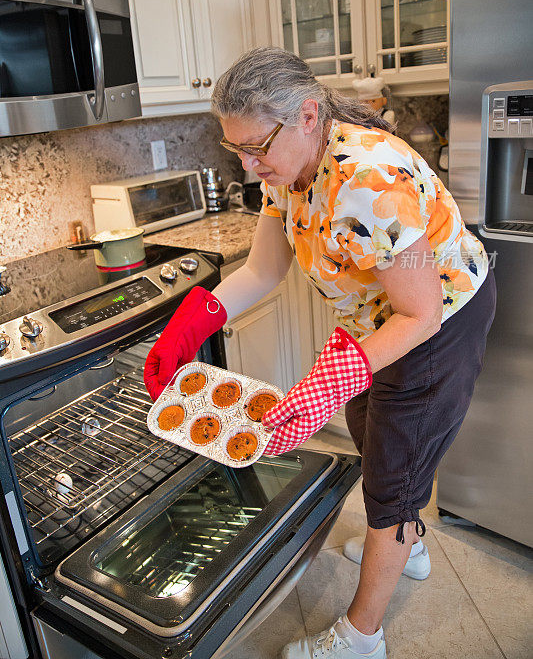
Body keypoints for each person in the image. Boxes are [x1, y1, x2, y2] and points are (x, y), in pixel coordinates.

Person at [144, 47, 496, 659]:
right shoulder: (289, 172)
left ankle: (362, 637)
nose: (252, 166)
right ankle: (407, 547)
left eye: (259, 147)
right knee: (371, 431)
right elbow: (260, 270)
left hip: (439, 321)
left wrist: (325, 386)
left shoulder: (367, 177)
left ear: (308, 115)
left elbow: (421, 314)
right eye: (238, 151)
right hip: (377, 320)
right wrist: (188, 324)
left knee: (393, 469)